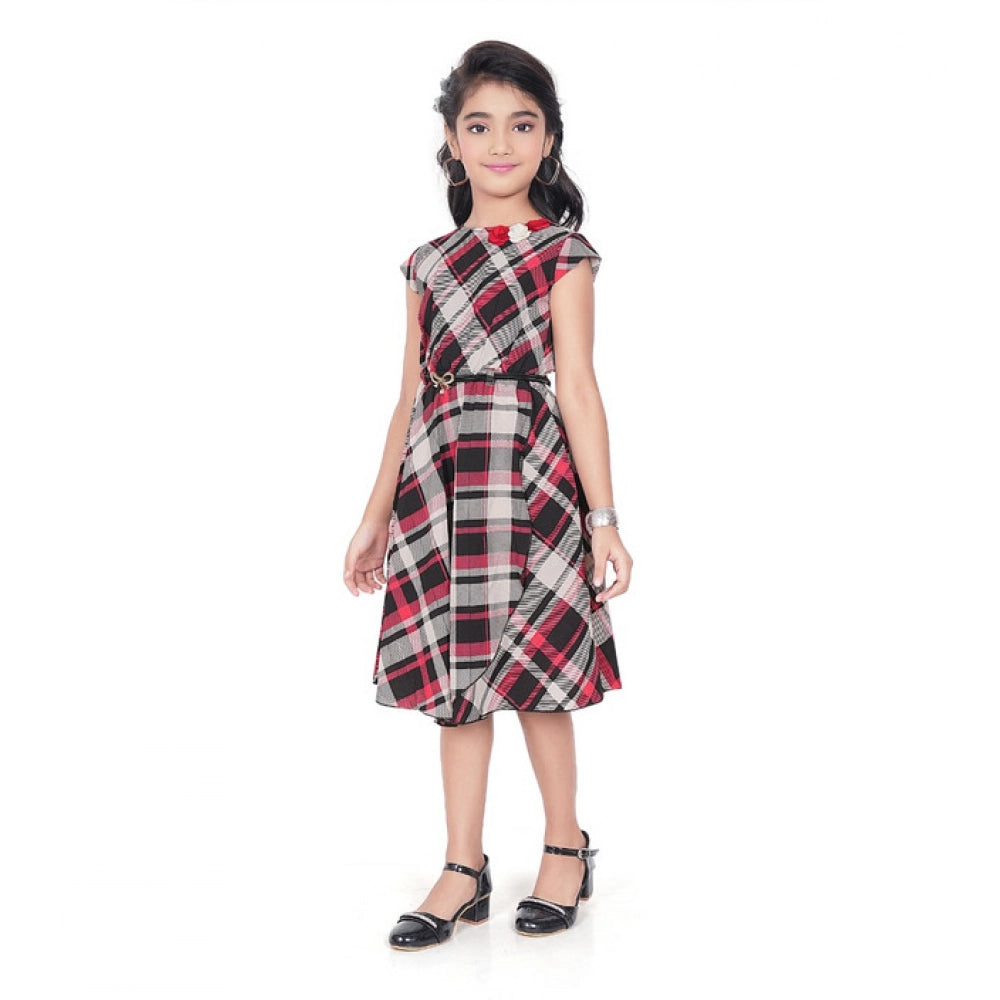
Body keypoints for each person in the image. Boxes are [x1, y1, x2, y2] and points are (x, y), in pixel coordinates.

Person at [343, 39, 633, 951]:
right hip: (439, 490)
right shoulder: (427, 263)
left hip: (534, 484)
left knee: (540, 677)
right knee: (455, 685)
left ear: (548, 141)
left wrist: (604, 520)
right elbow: (408, 396)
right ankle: (462, 868)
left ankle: (565, 847)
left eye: (521, 125)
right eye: (480, 125)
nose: (500, 144)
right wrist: (373, 516)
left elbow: (578, 386)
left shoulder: (562, 254)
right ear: (451, 139)